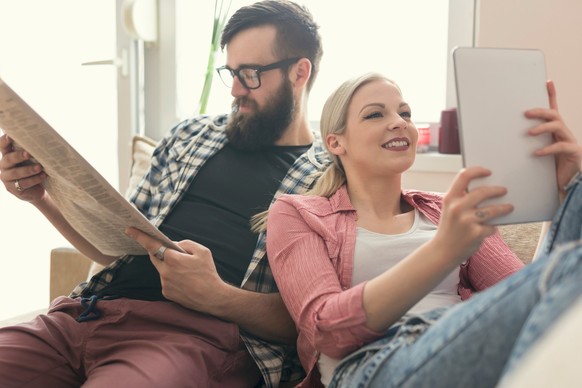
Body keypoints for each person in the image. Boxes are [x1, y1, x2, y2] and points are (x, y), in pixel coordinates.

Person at [0, 1, 327, 387]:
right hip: (86, 314)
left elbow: (315, 318)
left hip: (189, 339)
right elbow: (114, 250)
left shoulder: (325, 178)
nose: (236, 89)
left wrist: (217, 295)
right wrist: (40, 196)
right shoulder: (189, 136)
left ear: (299, 72)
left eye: (251, 74)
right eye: (231, 73)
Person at [265, 72, 582, 387]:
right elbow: (327, 333)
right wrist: (442, 251)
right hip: (373, 362)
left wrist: (564, 196)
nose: (399, 122)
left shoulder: (448, 209)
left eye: (405, 113)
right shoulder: (297, 213)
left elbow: (529, 293)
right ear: (335, 142)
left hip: (459, 334)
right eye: (376, 114)